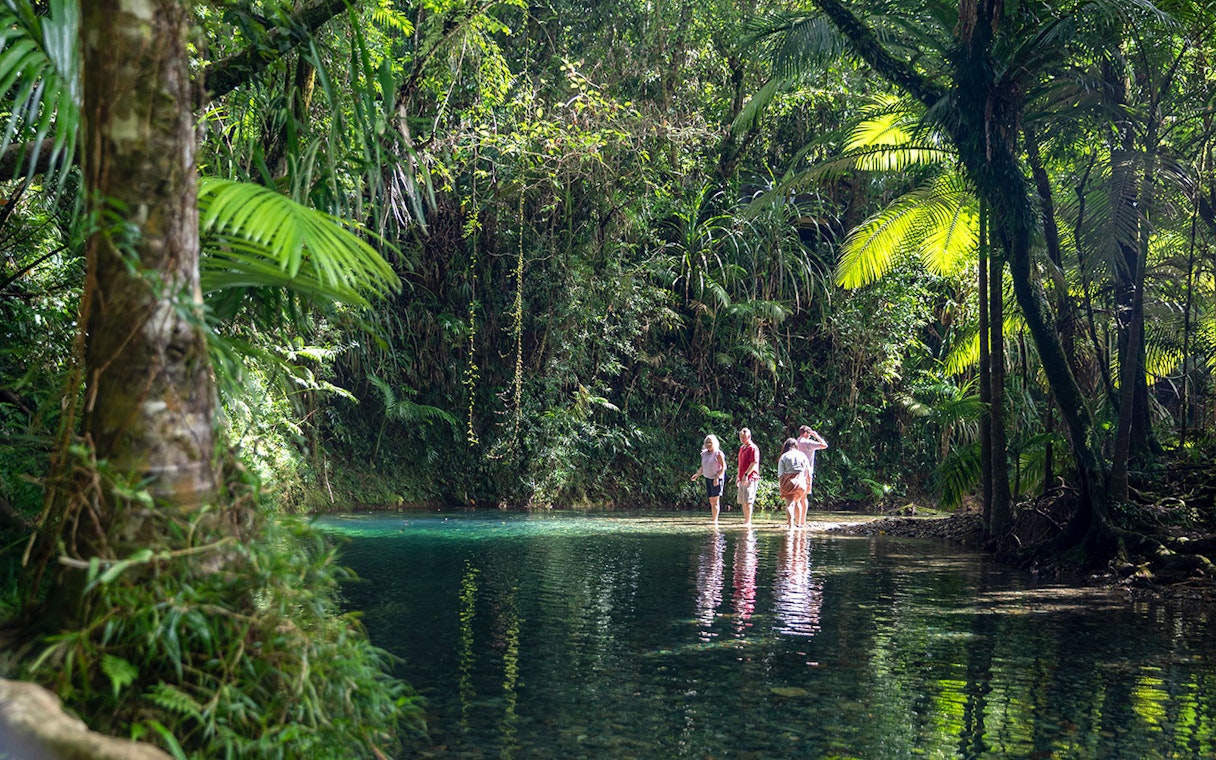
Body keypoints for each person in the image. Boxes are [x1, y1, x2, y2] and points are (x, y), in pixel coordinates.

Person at [794, 425, 829, 523]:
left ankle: (795, 519)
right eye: (809, 434)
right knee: (804, 497)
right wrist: (816, 435)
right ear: (806, 433)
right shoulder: (808, 442)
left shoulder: (796, 442)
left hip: (796, 472)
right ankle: (802, 521)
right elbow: (824, 445)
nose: (810, 435)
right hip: (806, 473)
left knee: (796, 497)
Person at [690, 434, 727, 524]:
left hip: (716, 478)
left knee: (715, 499)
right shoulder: (704, 454)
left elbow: (724, 467)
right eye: (707, 442)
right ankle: (713, 518)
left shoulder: (718, 454)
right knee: (711, 500)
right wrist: (697, 474)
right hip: (708, 478)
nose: (708, 444)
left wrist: (717, 477)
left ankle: (715, 520)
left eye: (710, 442)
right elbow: (703, 466)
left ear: (714, 443)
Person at [777, 438, 812, 529]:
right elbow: (808, 471)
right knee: (798, 502)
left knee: (789, 504)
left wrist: (781, 487)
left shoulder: (784, 456)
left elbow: (780, 474)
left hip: (790, 481)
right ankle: (798, 524)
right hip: (802, 481)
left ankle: (790, 526)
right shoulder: (802, 455)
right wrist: (809, 484)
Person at [735, 427, 760, 526]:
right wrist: (738, 476)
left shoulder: (753, 448)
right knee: (743, 500)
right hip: (742, 477)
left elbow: (754, 463)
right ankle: (746, 520)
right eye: (741, 437)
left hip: (751, 477)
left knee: (748, 500)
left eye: (744, 437)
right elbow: (740, 464)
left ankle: (748, 521)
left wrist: (746, 474)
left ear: (749, 436)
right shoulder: (742, 448)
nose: (742, 439)